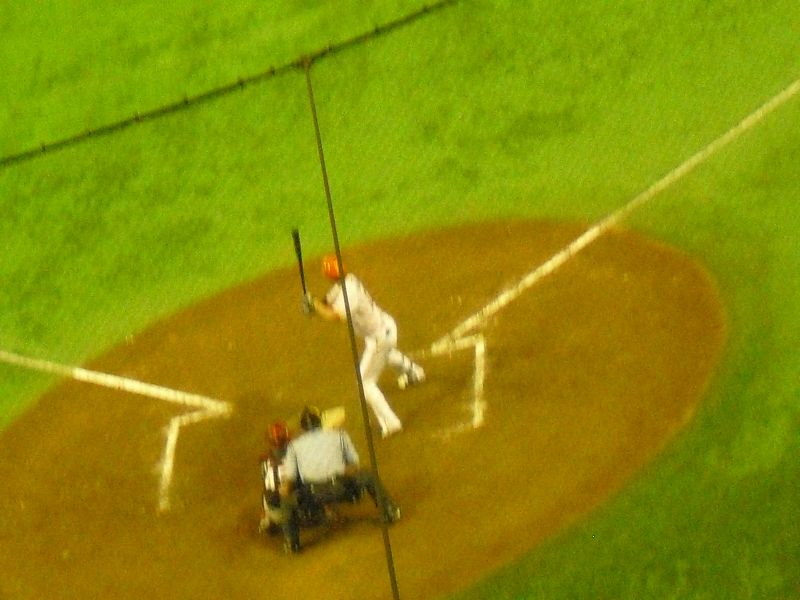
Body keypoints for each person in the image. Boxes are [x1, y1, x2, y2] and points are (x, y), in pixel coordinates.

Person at [302, 254, 425, 439]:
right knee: (385, 355)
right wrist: (313, 304)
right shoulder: (345, 282)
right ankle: (414, 373)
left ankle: (391, 423)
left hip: (379, 338)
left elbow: (334, 316)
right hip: (385, 327)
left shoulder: (349, 291)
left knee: (365, 383)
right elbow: (326, 302)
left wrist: (314, 306)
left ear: (328, 275)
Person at [278, 406, 401, 554]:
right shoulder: (339, 435)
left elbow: (290, 478)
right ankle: (390, 511)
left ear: (303, 428)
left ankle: (291, 543)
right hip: (341, 488)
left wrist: (285, 490)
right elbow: (354, 465)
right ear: (320, 422)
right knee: (368, 475)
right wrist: (339, 469)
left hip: (314, 495)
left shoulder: (294, 446)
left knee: (287, 501)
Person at [258, 420, 292, 535]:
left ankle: (266, 519)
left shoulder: (264, 462)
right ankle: (327, 510)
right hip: (303, 508)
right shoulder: (297, 455)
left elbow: (265, 489)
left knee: (267, 489)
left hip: (277, 514)